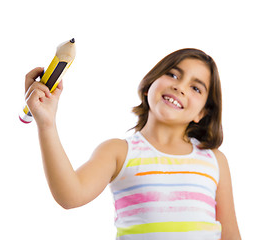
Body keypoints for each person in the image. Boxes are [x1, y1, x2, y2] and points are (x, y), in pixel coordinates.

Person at [24, 48, 241, 240]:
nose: (180, 87)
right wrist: (47, 124)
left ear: (202, 113)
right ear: (149, 85)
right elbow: (70, 196)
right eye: (173, 74)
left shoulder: (214, 160)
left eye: (196, 88)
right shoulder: (119, 152)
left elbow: (230, 235)